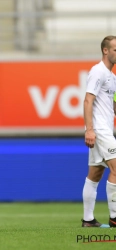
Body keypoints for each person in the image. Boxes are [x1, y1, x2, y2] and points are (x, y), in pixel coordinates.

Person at [82, 35, 116, 228]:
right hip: (100, 130)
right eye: (115, 49)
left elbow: (112, 107)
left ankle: (88, 220)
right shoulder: (98, 71)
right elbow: (88, 100)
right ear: (105, 50)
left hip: (105, 129)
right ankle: (115, 218)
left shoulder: (112, 77)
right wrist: (90, 130)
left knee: (94, 174)